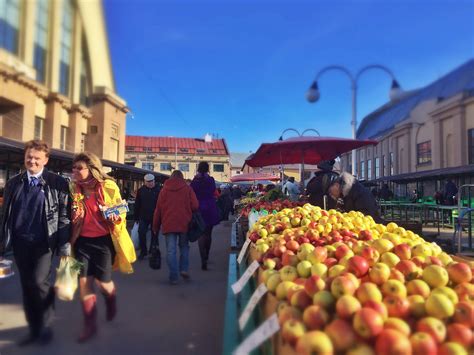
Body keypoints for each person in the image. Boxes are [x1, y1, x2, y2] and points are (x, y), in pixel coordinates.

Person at [0, 140, 70, 346]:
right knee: (27, 285)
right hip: (21, 243)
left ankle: (46, 326)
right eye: (29, 157)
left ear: (45, 160)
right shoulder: (14, 183)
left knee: (40, 283)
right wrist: (3, 244)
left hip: (44, 243)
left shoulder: (57, 183)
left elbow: (64, 215)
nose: (32, 161)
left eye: (37, 158)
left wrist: (65, 245)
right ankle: (34, 328)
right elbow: (5, 216)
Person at [69, 152, 136, 342]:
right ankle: (89, 324)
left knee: (103, 283)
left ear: (91, 169)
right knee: (84, 282)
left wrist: (116, 216)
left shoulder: (107, 186)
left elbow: (120, 210)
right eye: (73, 168)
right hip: (81, 242)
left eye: (79, 168)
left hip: (104, 242)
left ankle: (110, 298)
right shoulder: (74, 188)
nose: (75, 171)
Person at [152, 170, 199, 284]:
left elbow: (158, 210)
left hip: (168, 224)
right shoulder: (188, 189)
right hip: (184, 223)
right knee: (184, 247)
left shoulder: (164, 190)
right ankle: (183, 269)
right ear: (182, 177)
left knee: (170, 251)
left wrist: (155, 227)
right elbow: (195, 205)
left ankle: (174, 276)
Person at [191, 162, 219, 270]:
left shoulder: (194, 181)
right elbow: (213, 191)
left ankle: (203, 259)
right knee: (208, 234)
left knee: (201, 234)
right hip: (210, 208)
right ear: (208, 169)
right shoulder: (211, 180)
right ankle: (206, 255)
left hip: (199, 209)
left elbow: (192, 193)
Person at [134, 173, 161, 259]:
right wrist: (136, 217)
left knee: (155, 234)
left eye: (151, 181)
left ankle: (152, 250)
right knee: (141, 233)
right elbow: (137, 204)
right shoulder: (141, 190)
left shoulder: (159, 190)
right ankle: (143, 251)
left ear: (154, 181)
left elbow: (162, 204)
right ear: (144, 182)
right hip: (143, 216)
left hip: (155, 216)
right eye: (148, 181)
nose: (150, 183)